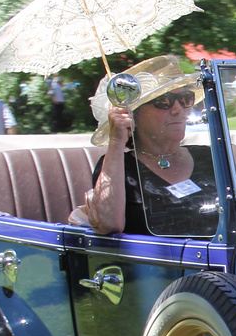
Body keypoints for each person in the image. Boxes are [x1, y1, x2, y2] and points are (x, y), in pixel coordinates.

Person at [82, 55, 217, 237]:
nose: (179, 109)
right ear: (133, 114)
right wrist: (116, 141)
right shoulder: (118, 167)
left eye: (185, 98)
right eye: (164, 101)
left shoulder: (209, 157)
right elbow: (107, 225)